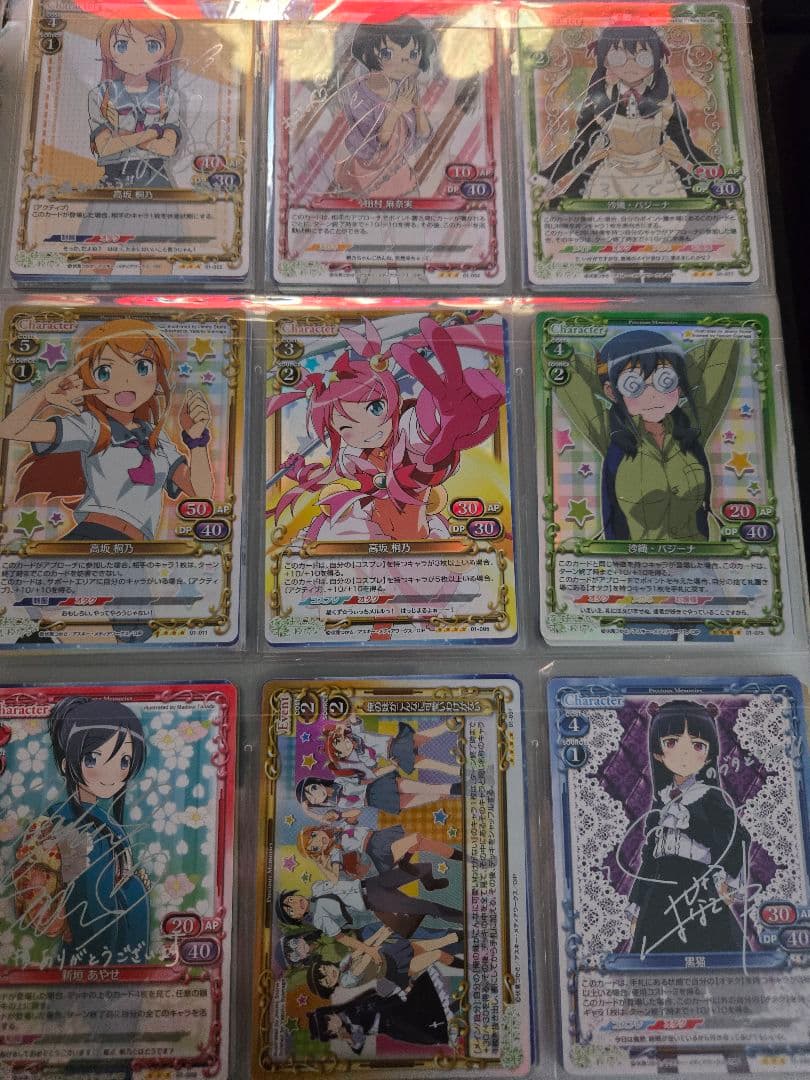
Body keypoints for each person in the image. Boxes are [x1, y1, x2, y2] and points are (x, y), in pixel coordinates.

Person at [268, 314, 505, 543]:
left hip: (417, 535)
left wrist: (442, 419)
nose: (366, 429)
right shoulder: (351, 456)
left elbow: (423, 442)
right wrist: (299, 472)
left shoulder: (406, 434)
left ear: (396, 402)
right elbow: (327, 477)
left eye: (375, 408)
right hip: (370, 531)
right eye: (347, 425)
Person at [0, 318, 213, 543]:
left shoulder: (157, 439)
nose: (125, 381)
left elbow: (201, 492)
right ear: (89, 378)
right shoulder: (91, 426)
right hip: (92, 536)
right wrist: (44, 397)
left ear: (157, 374)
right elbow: (9, 429)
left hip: (135, 548)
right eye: (105, 372)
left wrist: (196, 440)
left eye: (142, 367)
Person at [554, 329, 739, 541]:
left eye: (665, 381)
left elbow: (724, 348)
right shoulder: (610, 433)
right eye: (633, 385)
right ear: (611, 392)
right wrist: (609, 371)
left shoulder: (693, 425)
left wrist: (675, 363)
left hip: (697, 555)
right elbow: (560, 366)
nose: (653, 395)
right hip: (633, 559)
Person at [13, 696, 150, 966]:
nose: (110, 774)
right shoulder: (70, 827)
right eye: (93, 758)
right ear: (67, 765)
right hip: (94, 953)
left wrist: (131, 884)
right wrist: (130, 889)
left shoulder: (96, 821)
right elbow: (87, 901)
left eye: (123, 761)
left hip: (110, 950)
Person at [623, 699, 750, 956]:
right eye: (671, 742)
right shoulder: (660, 801)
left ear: (709, 754)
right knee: (653, 959)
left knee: (714, 954)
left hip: (697, 888)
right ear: (658, 753)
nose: (685, 755)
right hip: (657, 894)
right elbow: (650, 859)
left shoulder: (709, 796)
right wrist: (637, 905)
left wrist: (724, 878)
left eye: (697, 745)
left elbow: (736, 837)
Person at [539, 26, 714, 203]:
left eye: (643, 58)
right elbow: (581, 148)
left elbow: (686, 146)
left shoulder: (666, 101)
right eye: (618, 57)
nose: (630, 65)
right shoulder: (599, 100)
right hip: (610, 177)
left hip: (659, 175)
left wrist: (718, 173)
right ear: (605, 60)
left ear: (656, 61)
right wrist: (546, 177)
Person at [333, 17, 435, 198]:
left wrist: (418, 108)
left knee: (410, 201)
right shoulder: (360, 96)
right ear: (367, 55)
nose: (403, 63)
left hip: (397, 171)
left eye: (413, 54)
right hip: (365, 173)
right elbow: (380, 141)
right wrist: (396, 110)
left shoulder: (404, 88)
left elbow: (424, 133)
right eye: (388, 54)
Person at [90, 18, 181, 190]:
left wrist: (123, 136)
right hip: (114, 179)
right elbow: (105, 147)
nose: (137, 55)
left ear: (165, 51)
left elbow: (168, 148)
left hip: (155, 177)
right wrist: (153, 133)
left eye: (151, 46)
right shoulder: (100, 95)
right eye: (122, 45)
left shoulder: (168, 96)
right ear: (108, 50)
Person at [307, 970, 454, 1053]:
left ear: (329, 1014)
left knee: (426, 1004)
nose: (332, 1025)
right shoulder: (349, 1027)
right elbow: (358, 1044)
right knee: (425, 1030)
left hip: (394, 1010)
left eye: (328, 1020)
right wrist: (347, 1038)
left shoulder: (348, 1012)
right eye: (329, 1030)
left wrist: (400, 993)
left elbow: (374, 1000)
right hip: (393, 1025)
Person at [298, 822, 461, 880]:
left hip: (378, 836)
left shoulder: (338, 827)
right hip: (376, 850)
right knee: (416, 839)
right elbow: (335, 877)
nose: (319, 841)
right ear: (318, 852)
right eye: (315, 847)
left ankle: (461, 857)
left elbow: (355, 814)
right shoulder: (335, 851)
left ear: (317, 830)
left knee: (422, 843)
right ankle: (405, 861)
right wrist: (320, 863)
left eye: (314, 836)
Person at [324, 715, 460, 781]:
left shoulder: (356, 733)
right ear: (344, 756)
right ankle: (454, 770)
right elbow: (375, 771)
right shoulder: (361, 757)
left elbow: (353, 717)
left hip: (395, 742)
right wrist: (393, 766)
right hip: (394, 754)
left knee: (423, 737)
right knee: (426, 762)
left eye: (343, 740)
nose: (347, 743)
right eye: (343, 748)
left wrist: (340, 723)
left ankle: (447, 726)